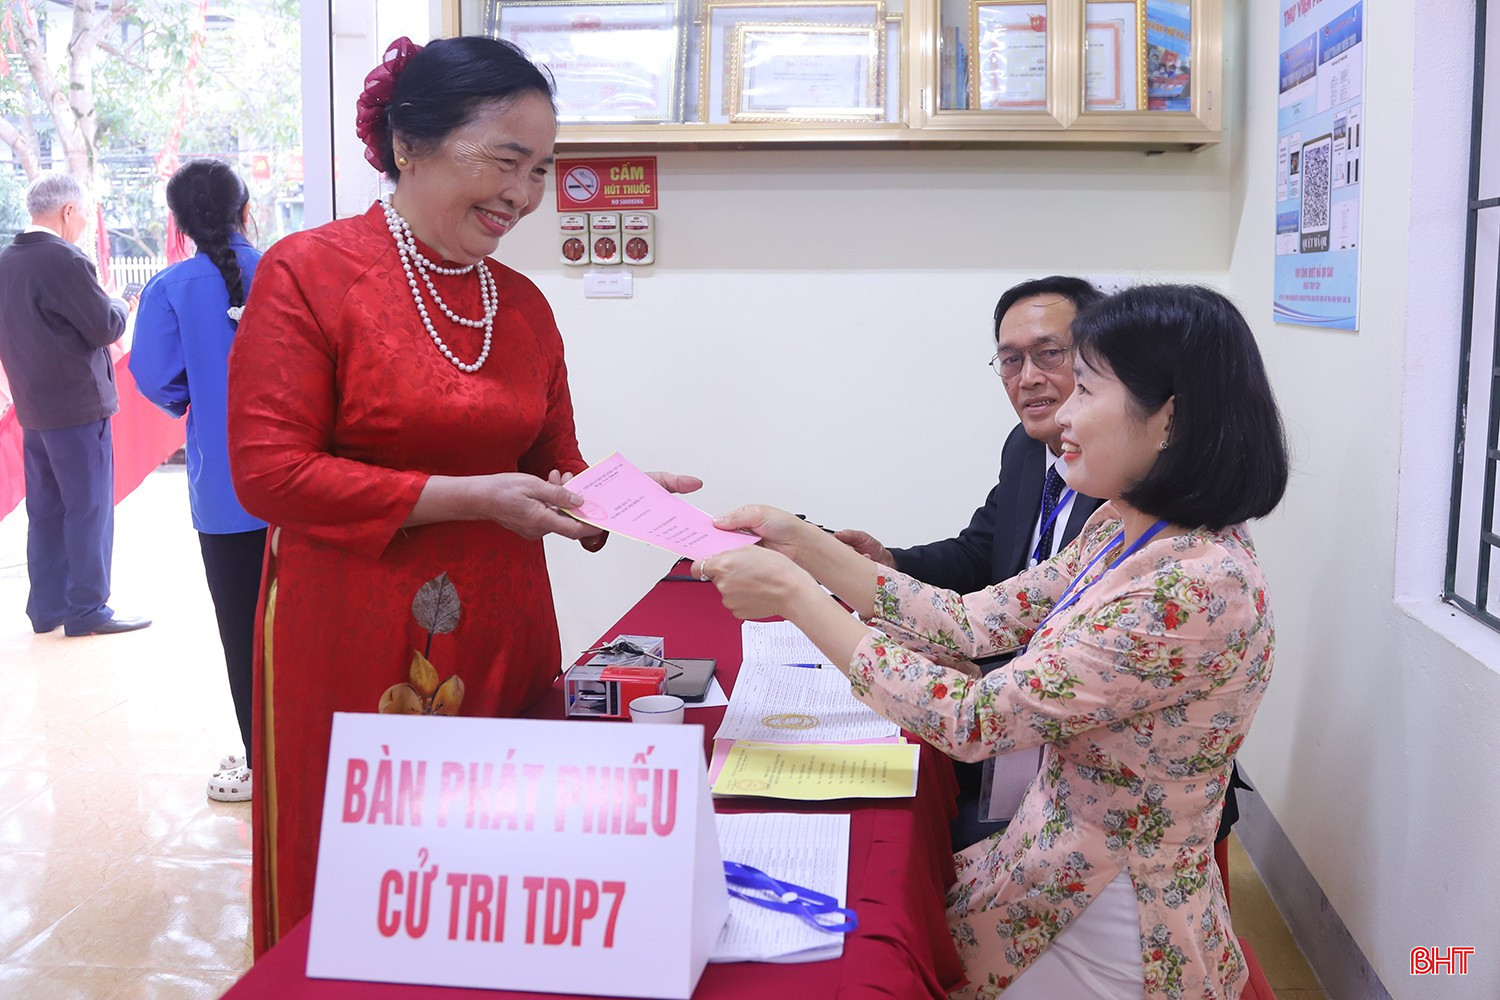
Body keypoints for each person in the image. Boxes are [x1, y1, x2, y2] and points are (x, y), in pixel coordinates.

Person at [225, 36, 698, 953]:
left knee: (492, 872)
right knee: (365, 882)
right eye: (505, 161)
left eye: (541, 170)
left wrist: (621, 499)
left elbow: (555, 468)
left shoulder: (520, 304)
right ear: (409, 143)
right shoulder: (310, 273)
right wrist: (471, 498)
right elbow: (268, 473)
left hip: (504, 624)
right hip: (355, 629)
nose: (523, 194)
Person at [695, 284, 1288, 999]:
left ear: (1170, 417)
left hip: (1109, 908)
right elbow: (972, 620)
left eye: (1084, 388)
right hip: (1047, 858)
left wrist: (797, 599)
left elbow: (971, 721)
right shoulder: (1123, 527)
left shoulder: (1191, 587)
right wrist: (805, 543)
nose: (1061, 413)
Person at [834, 276, 1106, 849]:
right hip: (1010, 720)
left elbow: (1029, 641)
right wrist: (888, 562)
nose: (1028, 377)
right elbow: (983, 554)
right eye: (1011, 360)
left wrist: (805, 597)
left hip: (1075, 763)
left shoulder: (1127, 503)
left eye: (1049, 354)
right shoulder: (1027, 447)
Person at [130, 160, 265, 803]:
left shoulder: (169, 288)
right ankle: (318, 751)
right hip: (310, 487)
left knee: (242, 630)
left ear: (178, 224)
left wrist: (201, 392)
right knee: (311, 624)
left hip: (227, 494)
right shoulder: (289, 270)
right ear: (246, 209)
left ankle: (262, 762)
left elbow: (156, 378)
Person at [0, 172, 150, 638]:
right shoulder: (65, 259)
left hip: (34, 409)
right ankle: (88, 609)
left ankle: (47, 608)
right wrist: (122, 304)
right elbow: (104, 327)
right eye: (83, 213)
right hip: (78, 409)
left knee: (45, 511)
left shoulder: (6, 260)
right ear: (67, 211)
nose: (84, 223)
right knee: (88, 509)